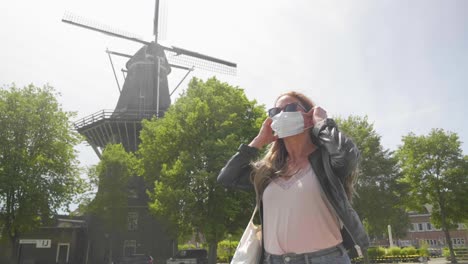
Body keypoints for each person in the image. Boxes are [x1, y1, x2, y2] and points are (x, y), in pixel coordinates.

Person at [217, 91, 369, 264]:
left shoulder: (327, 160)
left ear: (308, 115)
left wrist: (322, 123)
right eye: (275, 112)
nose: (281, 114)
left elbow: (348, 156)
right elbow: (227, 177)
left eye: (289, 107)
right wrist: (259, 140)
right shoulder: (267, 170)